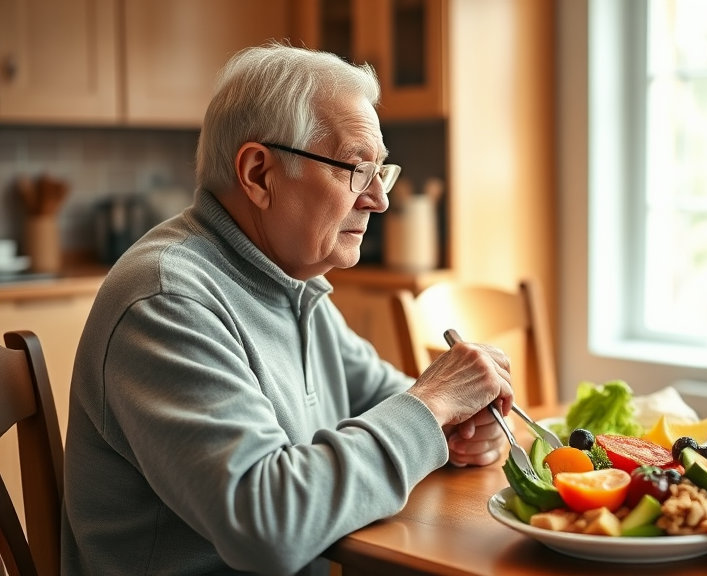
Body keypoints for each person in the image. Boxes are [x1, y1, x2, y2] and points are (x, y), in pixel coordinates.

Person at [61, 43, 513, 576]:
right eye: (355, 169)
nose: (378, 199)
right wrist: (434, 405)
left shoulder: (289, 281)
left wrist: (458, 426)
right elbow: (268, 524)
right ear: (258, 174)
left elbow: (386, 399)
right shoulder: (167, 302)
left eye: (380, 173)